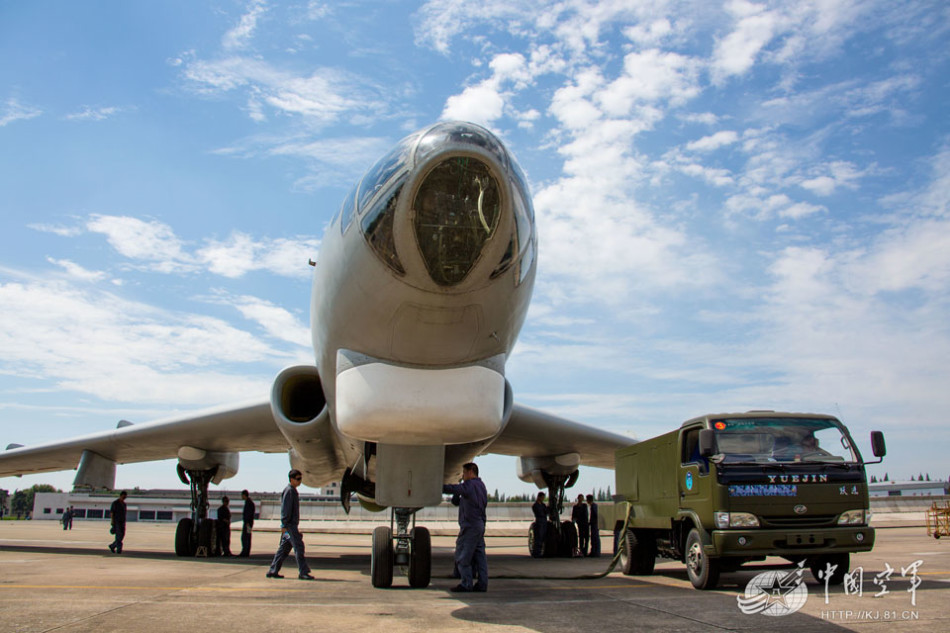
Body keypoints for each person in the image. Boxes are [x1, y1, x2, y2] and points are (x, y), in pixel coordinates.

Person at [442, 462, 488, 592]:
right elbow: (456, 501)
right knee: (480, 557)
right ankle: (482, 584)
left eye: (464, 473)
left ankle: (466, 583)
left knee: (463, 555)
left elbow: (453, 491)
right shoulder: (481, 486)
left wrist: (437, 487)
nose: (463, 475)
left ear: (470, 472)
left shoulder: (469, 486)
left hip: (470, 526)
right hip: (479, 525)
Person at [267, 469, 315, 580]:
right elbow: (286, 509)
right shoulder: (290, 491)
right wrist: (284, 525)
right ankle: (303, 572)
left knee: (284, 548)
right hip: (290, 527)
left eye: (300, 479)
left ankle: (273, 570)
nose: (300, 481)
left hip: (289, 526)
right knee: (299, 547)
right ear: (292, 479)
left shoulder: (291, 490)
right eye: (298, 479)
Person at [531, 492, 547, 558]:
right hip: (539, 522)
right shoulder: (535, 505)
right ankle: (536, 553)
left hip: (544, 522)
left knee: (542, 537)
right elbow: (539, 513)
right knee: (538, 538)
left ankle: (540, 552)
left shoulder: (543, 505)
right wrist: (543, 513)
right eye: (542, 497)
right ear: (539, 497)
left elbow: (546, 512)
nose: (543, 499)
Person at [239, 489, 255, 557]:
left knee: (245, 537)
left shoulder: (249, 503)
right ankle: (246, 551)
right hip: (248, 523)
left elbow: (249, 513)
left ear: (244, 495)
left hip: (247, 523)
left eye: (242, 495)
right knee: (247, 537)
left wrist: (247, 522)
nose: (241, 497)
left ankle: (245, 552)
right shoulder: (249, 502)